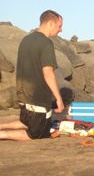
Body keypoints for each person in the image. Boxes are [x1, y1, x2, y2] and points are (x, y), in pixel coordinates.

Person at [0, 10, 65, 141]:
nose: (61, 30)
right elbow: (48, 73)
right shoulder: (46, 43)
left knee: (26, 122)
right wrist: (59, 98)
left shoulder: (26, 39)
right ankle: (2, 134)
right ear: (51, 24)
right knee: (37, 134)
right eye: (59, 26)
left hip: (23, 94)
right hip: (36, 97)